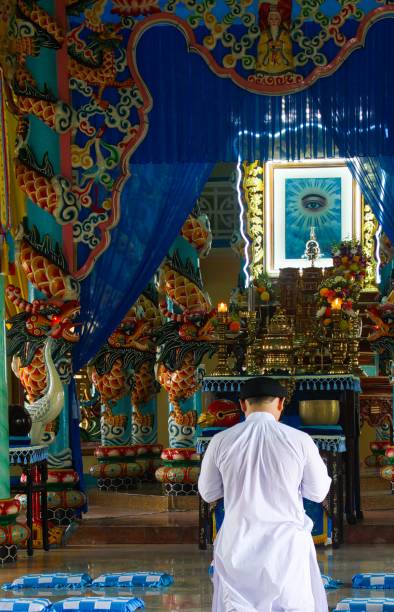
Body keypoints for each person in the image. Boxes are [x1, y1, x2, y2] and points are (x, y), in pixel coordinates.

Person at [198, 376, 332, 612]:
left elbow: (208, 493)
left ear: (242, 405)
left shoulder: (220, 441)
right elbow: (319, 491)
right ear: (281, 403)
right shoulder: (300, 441)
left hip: (237, 545)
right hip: (286, 547)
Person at [256, 5, 294, 75]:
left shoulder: (284, 33)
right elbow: (260, 47)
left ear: (279, 21)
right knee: (261, 68)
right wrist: (267, 45)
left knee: (288, 68)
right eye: (271, 19)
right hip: (267, 60)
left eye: (276, 19)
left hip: (281, 59)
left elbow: (289, 46)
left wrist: (282, 45)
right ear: (268, 21)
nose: (273, 21)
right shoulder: (264, 34)